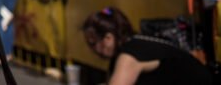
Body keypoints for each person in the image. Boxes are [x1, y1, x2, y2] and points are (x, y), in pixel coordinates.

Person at [82, 7, 211, 85]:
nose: (91, 50)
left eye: (92, 43)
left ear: (108, 38)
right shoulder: (136, 43)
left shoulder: (130, 56)